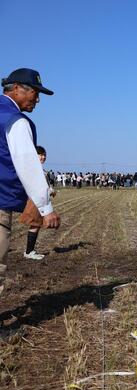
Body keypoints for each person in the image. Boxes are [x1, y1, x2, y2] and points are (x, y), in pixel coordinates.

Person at [0, 68, 60, 295]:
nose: (37, 99)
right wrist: (46, 209)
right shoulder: (15, 121)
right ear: (16, 89)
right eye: (35, 92)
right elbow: (28, 165)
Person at [19, 146, 56, 260]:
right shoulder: (34, 169)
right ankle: (29, 251)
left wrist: (49, 191)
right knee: (35, 224)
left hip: (39, 199)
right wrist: (49, 190)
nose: (43, 157)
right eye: (40, 154)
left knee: (36, 224)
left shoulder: (38, 169)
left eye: (44, 155)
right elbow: (35, 186)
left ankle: (30, 250)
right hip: (36, 200)